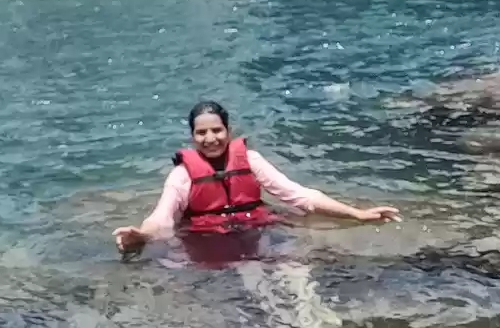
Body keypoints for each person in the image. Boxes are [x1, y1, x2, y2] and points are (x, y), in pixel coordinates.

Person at [113, 100, 400, 261]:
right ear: (192, 137)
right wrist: (140, 235)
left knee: (294, 266)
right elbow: (162, 219)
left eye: (217, 130)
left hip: (256, 233)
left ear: (229, 130)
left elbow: (301, 197)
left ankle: (307, 327)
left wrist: (358, 214)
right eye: (201, 133)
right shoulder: (183, 175)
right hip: (207, 243)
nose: (210, 139)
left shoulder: (251, 161)